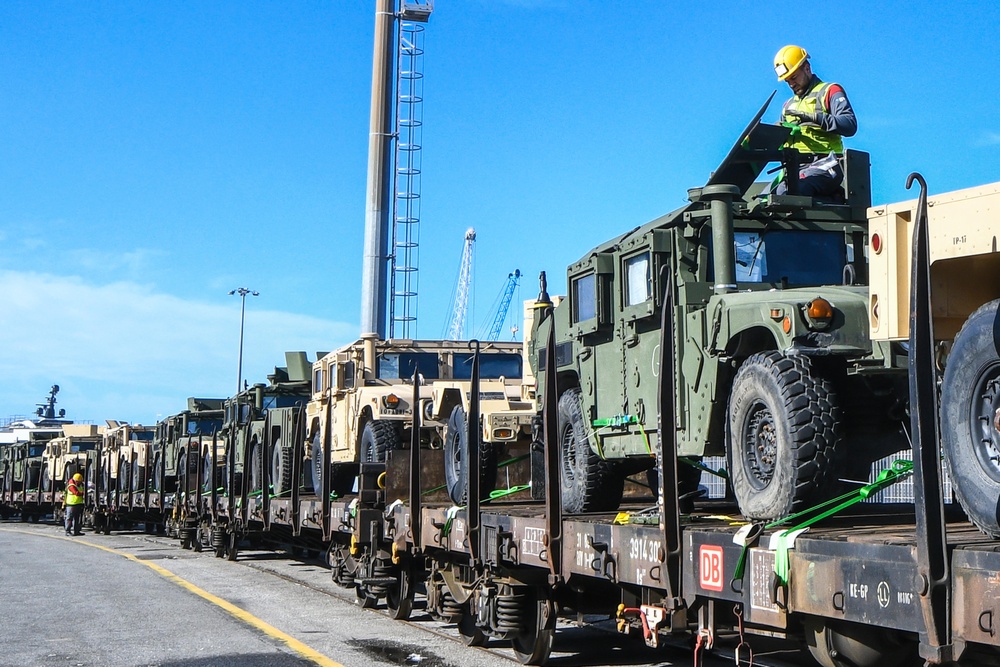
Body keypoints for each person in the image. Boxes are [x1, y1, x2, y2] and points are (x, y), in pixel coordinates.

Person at [773, 45, 857, 197]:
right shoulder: (788, 106)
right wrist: (773, 134)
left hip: (826, 163)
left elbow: (849, 124)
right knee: (765, 200)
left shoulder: (829, 91)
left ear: (807, 68)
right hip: (796, 169)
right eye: (787, 81)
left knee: (792, 193)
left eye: (794, 77)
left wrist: (815, 118)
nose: (791, 84)